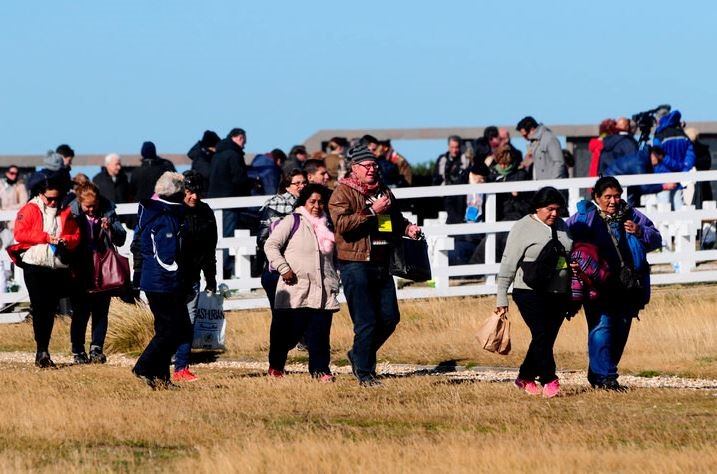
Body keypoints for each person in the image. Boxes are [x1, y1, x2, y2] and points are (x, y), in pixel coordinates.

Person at [329, 145, 421, 386]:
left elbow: (394, 219)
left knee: (390, 318)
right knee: (366, 320)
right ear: (354, 169)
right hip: (355, 263)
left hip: (382, 262)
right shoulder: (342, 192)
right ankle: (365, 372)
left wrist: (407, 228)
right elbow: (342, 225)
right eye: (366, 166)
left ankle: (358, 355)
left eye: (374, 165)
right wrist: (371, 210)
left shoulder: (383, 190)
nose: (372, 169)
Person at [567, 176, 662, 391]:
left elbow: (656, 239)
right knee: (601, 328)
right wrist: (572, 262)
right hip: (598, 285)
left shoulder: (633, 215)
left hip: (628, 285)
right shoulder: (585, 218)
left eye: (617, 196)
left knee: (620, 331)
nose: (613, 201)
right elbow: (565, 239)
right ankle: (606, 378)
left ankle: (599, 371)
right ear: (596, 198)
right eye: (607, 197)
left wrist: (640, 231)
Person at [495, 187, 573, 398]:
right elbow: (508, 262)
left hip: (558, 293)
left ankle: (524, 377)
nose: (554, 214)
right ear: (538, 207)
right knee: (541, 333)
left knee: (545, 339)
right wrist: (501, 294)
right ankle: (550, 378)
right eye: (550, 209)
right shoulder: (522, 227)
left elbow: (568, 254)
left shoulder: (563, 227)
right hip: (528, 291)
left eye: (558, 209)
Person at [264, 183, 338, 380]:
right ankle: (276, 366)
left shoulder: (328, 225)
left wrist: (334, 280)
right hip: (295, 288)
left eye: (321, 202)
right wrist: (283, 267)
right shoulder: (292, 220)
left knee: (320, 334)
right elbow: (271, 245)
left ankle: (321, 370)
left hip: (322, 290)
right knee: (287, 334)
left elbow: (333, 257)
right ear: (304, 202)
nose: (317, 205)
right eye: (312, 201)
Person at [6, 175, 80, 368]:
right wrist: (47, 237)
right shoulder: (29, 209)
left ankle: (44, 350)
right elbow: (20, 233)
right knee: (40, 308)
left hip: (56, 266)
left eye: (57, 198)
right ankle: (42, 351)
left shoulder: (65, 212)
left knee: (49, 309)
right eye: (50, 199)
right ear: (41, 194)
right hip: (34, 264)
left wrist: (67, 241)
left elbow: (75, 235)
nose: (53, 202)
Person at [131, 172, 191, 389]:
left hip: (157, 282)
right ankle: (144, 366)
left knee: (167, 330)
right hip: (163, 283)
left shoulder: (156, 212)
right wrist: (177, 275)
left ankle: (160, 378)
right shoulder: (165, 217)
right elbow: (166, 256)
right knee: (174, 331)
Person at [68, 182, 126, 364]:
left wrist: (109, 229)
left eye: (95, 206)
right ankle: (78, 350)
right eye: (88, 206)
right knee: (80, 311)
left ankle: (96, 348)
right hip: (80, 267)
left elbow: (121, 238)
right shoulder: (71, 213)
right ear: (79, 202)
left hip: (103, 266)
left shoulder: (107, 209)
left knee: (101, 310)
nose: (92, 210)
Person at [172, 171, 218, 382]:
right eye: (190, 192)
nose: (194, 197)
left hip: (192, 276)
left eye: (198, 193)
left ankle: (181, 366)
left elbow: (210, 249)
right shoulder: (170, 211)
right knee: (168, 322)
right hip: (170, 277)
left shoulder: (206, 213)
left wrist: (211, 277)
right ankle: (163, 360)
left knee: (188, 322)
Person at [208, 128, 253, 277]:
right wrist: (251, 183)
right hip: (230, 202)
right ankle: (225, 270)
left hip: (215, 200)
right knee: (227, 238)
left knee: (218, 237)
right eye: (244, 141)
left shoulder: (218, 154)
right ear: (240, 137)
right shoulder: (234, 154)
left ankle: (218, 270)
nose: (245, 145)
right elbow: (239, 179)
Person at [257, 170, 307, 297]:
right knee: (281, 315)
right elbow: (262, 239)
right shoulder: (274, 203)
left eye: (304, 182)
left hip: (301, 267)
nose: (302, 186)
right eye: (297, 183)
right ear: (286, 185)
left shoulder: (308, 204)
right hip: (278, 269)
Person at [652, 110, 696, 210]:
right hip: (680, 176)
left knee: (663, 206)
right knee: (678, 204)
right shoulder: (684, 137)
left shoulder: (659, 136)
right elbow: (690, 157)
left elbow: (657, 157)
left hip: (663, 176)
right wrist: (683, 169)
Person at [433, 135, 471, 224]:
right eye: (452, 147)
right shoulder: (442, 159)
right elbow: (436, 178)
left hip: (462, 194)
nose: (454, 150)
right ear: (448, 147)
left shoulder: (465, 159)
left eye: (457, 147)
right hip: (445, 195)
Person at [0, 165, 29, 248]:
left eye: (16, 173)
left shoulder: (20, 186)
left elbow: (24, 203)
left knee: (12, 245)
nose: (14, 175)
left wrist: (8, 209)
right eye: (12, 173)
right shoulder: (1, 185)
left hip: (14, 221)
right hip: (1, 221)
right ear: (7, 173)